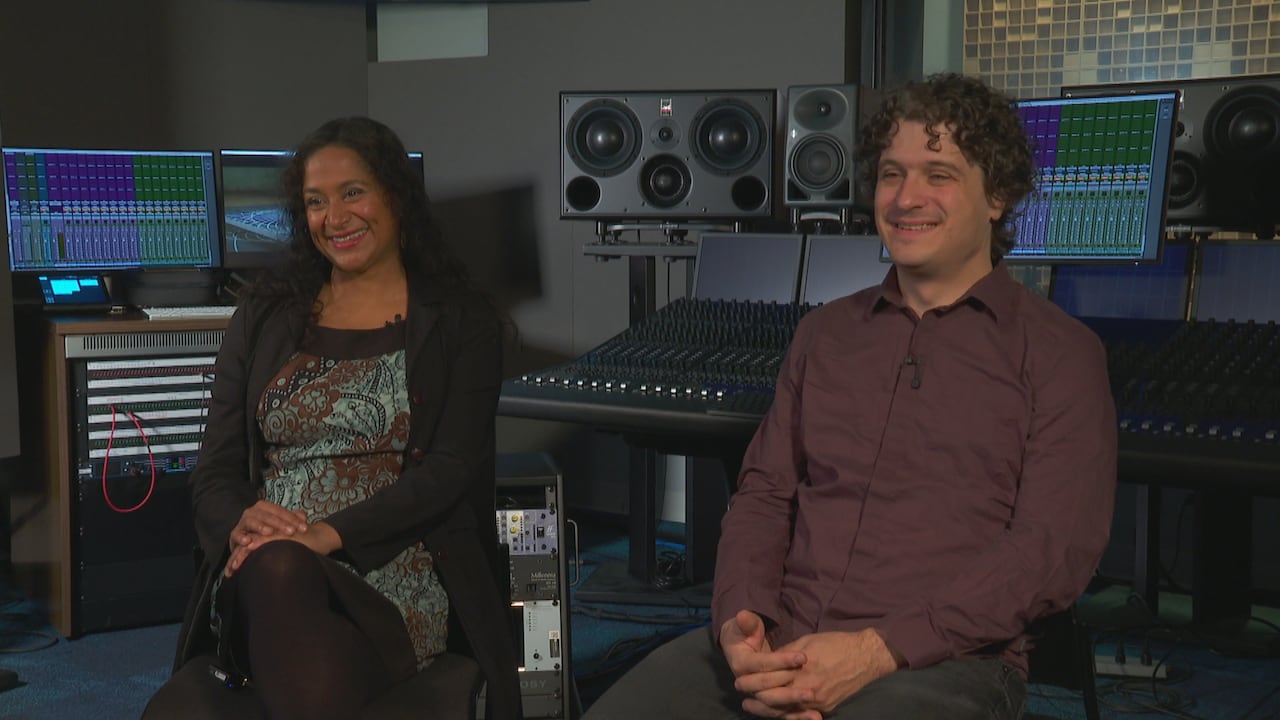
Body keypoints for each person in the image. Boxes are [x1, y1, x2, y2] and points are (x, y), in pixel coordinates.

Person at [583, 73, 1117, 719]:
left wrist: (874, 651)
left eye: (938, 174)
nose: (906, 198)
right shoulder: (824, 333)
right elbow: (764, 494)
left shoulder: (1062, 354)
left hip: (940, 664)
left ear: (997, 194)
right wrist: (740, 619)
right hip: (780, 642)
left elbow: (1049, 552)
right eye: (892, 174)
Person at [143, 116, 521, 720]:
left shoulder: (461, 321)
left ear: (395, 195)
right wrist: (243, 523)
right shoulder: (266, 311)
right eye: (315, 202)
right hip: (264, 567)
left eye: (353, 193)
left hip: (394, 568)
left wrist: (327, 534)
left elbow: (449, 470)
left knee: (317, 660)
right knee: (279, 568)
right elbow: (213, 467)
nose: (334, 218)